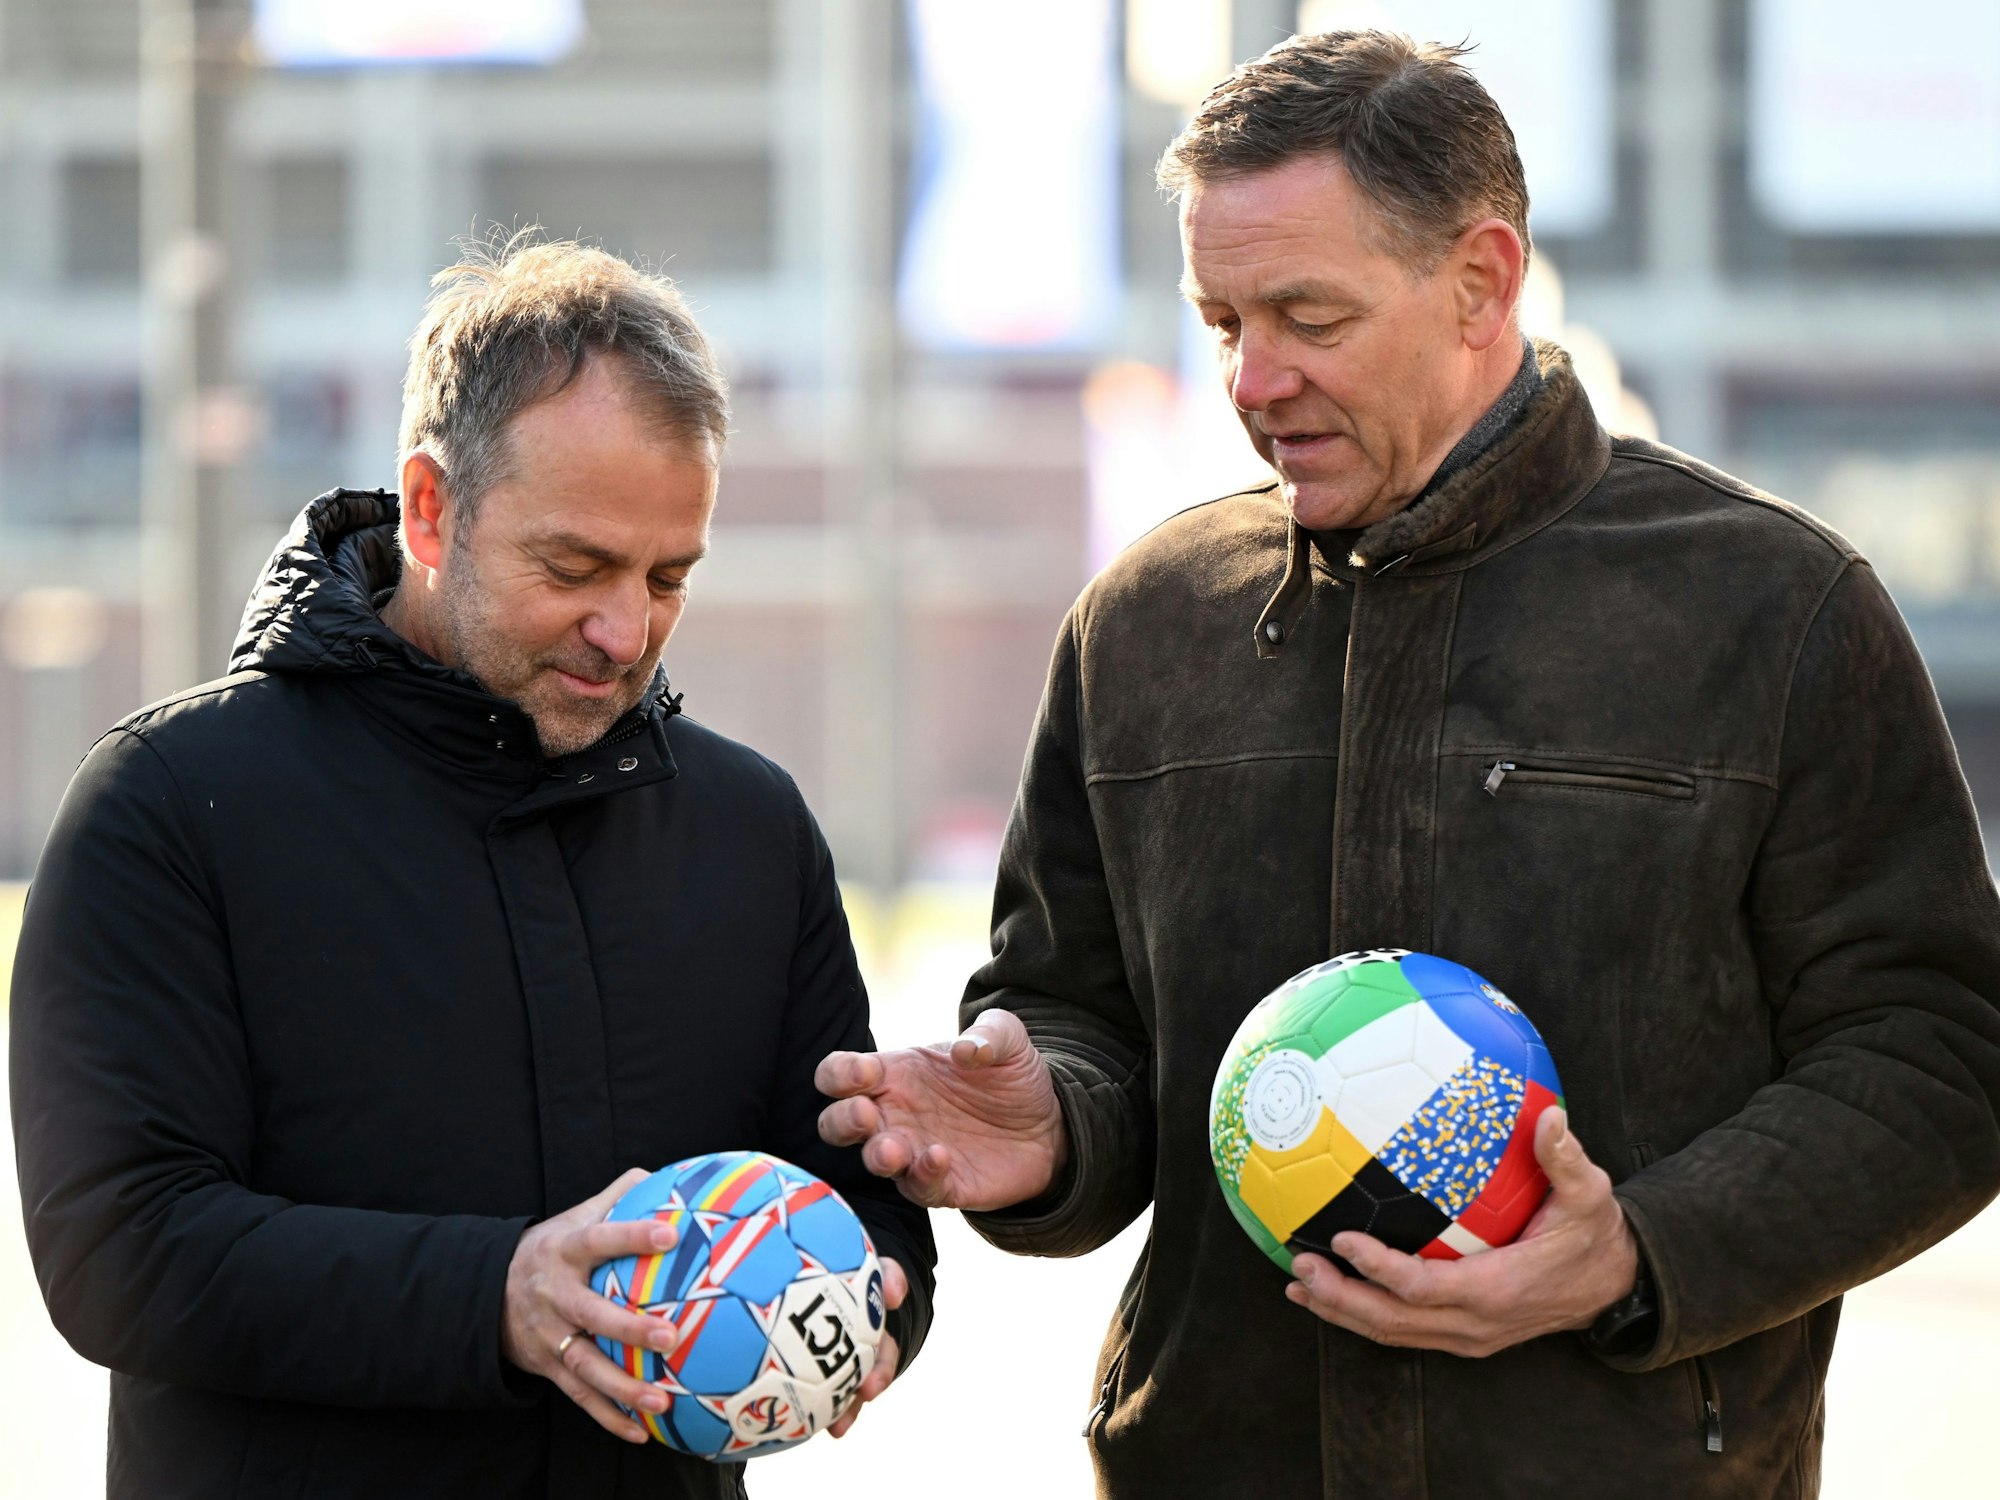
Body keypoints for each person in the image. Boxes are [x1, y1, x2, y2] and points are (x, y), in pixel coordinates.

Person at [816, 30, 2000, 1498]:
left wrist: (1633, 1255)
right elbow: (1074, 1013)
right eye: (1220, 319)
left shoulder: (1771, 610)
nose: (1255, 379)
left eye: (1309, 316)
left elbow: (1944, 1057)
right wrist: (1051, 1118)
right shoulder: (1145, 624)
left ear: (1482, 281)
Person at [11, 238, 934, 1500]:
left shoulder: (751, 827)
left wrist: (877, 1296)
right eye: (574, 568)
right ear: (431, 508)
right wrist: (494, 1298)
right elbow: (117, 1248)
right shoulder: (167, 806)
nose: (626, 631)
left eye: (668, 577)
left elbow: (846, 1194)